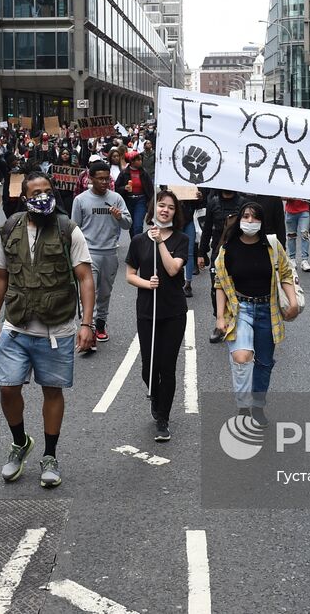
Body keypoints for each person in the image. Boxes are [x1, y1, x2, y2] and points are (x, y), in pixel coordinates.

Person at [0, 172, 97, 489]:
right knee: (8, 388)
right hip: (16, 326)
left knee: (52, 391)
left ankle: (49, 455)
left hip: (57, 328)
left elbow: (86, 278)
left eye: (48, 191)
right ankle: (20, 442)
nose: (42, 196)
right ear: (24, 197)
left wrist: (87, 324)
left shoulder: (67, 230)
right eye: (36, 192)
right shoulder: (8, 230)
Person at [212, 201, 300, 426]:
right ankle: (243, 405)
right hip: (240, 309)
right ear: (240, 219)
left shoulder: (272, 245)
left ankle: (258, 406)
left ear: (262, 222)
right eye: (246, 217)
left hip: (267, 310)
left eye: (255, 218)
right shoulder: (227, 249)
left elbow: (287, 274)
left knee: (264, 362)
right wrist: (220, 317)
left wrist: (292, 302)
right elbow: (220, 282)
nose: (250, 221)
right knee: (241, 358)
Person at [125, 190, 188, 443]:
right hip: (147, 311)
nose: (165, 210)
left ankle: (163, 418)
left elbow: (173, 269)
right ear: (153, 209)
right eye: (161, 206)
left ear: (175, 212)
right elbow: (129, 274)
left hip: (173, 311)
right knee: (148, 368)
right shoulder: (139, 241)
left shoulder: (181, 239)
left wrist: (161, 241)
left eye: (171, 208)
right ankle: (156, 396)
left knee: (167, 367)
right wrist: (144, 282)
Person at [69, 161, 131, 348]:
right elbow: (75, 228)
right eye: (101, 179)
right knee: (90, 292)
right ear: (91, 179)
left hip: (110, 252)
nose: (105, 182)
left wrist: (119, 216)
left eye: (107, 179)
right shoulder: (80, 200)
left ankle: (101, 323)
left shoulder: (117, 198)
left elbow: (128, 224)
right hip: (88, 253)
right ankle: (90, 328)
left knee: (104, 293)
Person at [197, 187, 247, 342]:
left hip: (240, 252)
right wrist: (201, 253)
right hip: (218, 252)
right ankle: (220, 323)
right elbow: (207, 229)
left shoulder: (243, 203)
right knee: (216, 289)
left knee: (239, 289)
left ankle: (240, 323)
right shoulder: (213, 203)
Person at [114, 151, 152, 239]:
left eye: (140, 159)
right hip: (128, 201)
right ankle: (135, 244)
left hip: (141, 201)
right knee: (131, 225)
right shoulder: (124, 173)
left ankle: (138, 244)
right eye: (138, 160)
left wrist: (150, 202)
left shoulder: (144, 173)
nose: (140, 161)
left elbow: (150, 189)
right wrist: (124, 188)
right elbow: (117, 188)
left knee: (138, 226)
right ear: (132, 161)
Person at [282, 197, 310, 273]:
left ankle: (304, 260)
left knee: (305, 235)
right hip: (290, 211)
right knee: (291, 236)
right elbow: (281, 196)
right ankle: (292, 259)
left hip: (304, 210)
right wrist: (289, 197)